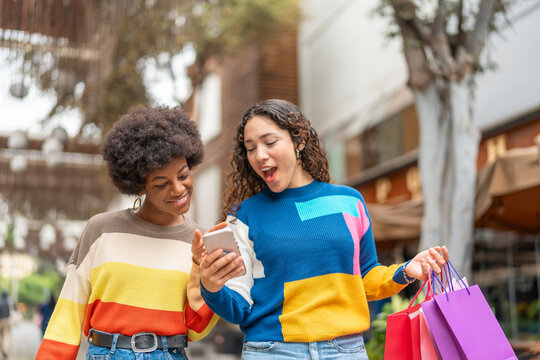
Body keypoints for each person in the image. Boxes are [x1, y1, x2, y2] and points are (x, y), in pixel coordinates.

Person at [195, 99, 449, 359]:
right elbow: (239, 308)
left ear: (299, 140)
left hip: (346, 351)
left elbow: (366, 279)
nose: (259, 155)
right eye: (251, 148)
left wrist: (406, 271)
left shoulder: (349, 202)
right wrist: (211, 288)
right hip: (272, 351)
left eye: (269, 142)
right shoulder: (245, 216)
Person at [36, 106, 220, 360]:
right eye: (161, 184)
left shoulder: (201, 240)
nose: (178, 189)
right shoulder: (100, 229)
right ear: (139, 186)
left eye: (183, 175)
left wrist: (212, 285)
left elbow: (196, 330)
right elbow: (68, 314)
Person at [0, 291, 11, 359]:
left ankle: (2, 347)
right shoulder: (9, 302)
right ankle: (5, 349)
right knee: (6, 336)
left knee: (0, 336)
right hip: (7, 321)